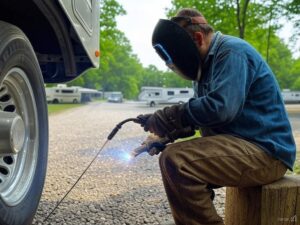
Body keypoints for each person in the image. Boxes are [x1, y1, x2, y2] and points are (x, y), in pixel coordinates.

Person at [139, 8, 296, 225]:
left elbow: (221, 108)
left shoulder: (232, 52)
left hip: (267, 152)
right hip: (242, 145)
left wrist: (170, 116)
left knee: (179, 161)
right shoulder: (205, 68)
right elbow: (203, 118)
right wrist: (166, 136)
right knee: (174, 161)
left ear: (197, 37)